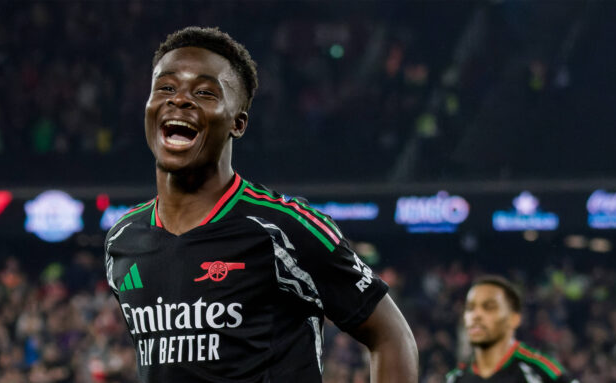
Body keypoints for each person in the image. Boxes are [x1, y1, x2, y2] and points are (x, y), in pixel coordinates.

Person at [104, 26, 417, 382]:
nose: (180, 99)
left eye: (205, 92)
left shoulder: (283, 227)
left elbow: (392, 336)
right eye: (166, 87)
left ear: (237, 123)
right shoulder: (123, 240)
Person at [446, 276, 577, 383]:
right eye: (470, 308)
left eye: (489, 307)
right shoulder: (456, 378)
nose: (476, 315)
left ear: (513, 319)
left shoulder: (540, 371)